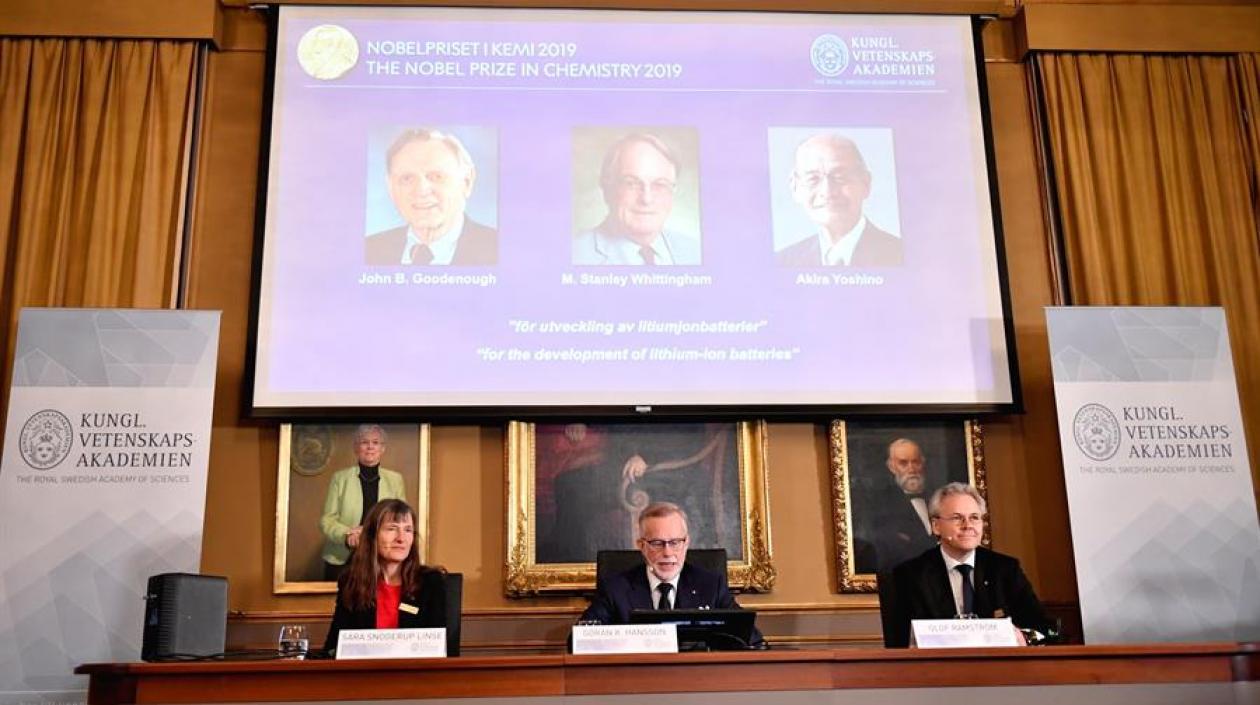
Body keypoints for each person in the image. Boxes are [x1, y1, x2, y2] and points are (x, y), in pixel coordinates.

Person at [884, 483, 1052, 648]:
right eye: (957, 518)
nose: (968, 525)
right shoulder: (911, 575)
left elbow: (1045, 629)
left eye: (974, 517)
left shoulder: (1005, 569)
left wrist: (1025, 637)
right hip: (938, 671)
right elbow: (899, 643)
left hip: (999, 670)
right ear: (936, 526)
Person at [577, 502, 763, 646]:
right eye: (657, 543)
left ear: (686, 543)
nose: (667, 552)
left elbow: (752, 639)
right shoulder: (615, 588)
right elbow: (579, 640)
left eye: (675, 542)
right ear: (641, 546)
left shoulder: (710, 586)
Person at [323, 499, 446, 654]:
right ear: (372, 536)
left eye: (408, 530)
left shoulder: (431, 582)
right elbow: (334, 647)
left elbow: (440, 648)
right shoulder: (351, 582)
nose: (401, 538)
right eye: (392, 529)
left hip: (415, 675)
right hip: (363, 675)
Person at [365, 128, 497, 266]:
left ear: (466, 182)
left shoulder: (497, 249)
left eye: (437, 176)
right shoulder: (370, 249)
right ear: (391, 188)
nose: (421, 191)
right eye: (407, 179)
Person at [573, 133, 701, 266]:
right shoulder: (577, 256)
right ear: (607, 189)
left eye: (659, 185)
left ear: (672, 192)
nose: (646, 199)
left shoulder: (694, 251)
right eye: (631, 184)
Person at [776, 134, 902, 267]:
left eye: (840, 177)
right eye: (813, 179)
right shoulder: (783, 262)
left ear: (865, 183)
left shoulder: (898, 254)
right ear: (795, 188)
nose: (827, 192)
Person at [320, 425, 407, 580]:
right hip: (342, 558)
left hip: (381, 557)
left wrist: (370, 534)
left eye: (375, 442)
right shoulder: (340, 478)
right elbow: (327, 521)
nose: (370, 447)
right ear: (356, 447)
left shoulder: (395, 480)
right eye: (364, 442)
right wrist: (347, 535)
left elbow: (401, 520)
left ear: (383, 448)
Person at [860, 438, 939, 574]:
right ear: (892, 467)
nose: (911, 469)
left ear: (923, 463)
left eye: (915, 462)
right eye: (903, 463)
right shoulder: (879, 505)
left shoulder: (940, 497)